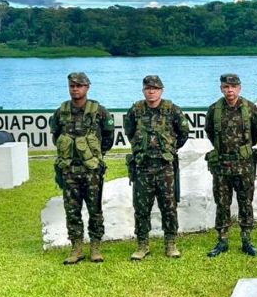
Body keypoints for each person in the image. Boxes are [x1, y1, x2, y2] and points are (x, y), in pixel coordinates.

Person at [50, 71, 115, 265]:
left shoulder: (99, 111)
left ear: (87, 87)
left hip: (91, 171)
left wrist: (94, 156)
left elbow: (108, 138)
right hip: (69, 169)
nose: (75, 89)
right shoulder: (61, 112)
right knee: (72, 210)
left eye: (79, 86)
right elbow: (56, 137)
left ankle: (95, 247)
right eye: (72, 86)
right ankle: (76, 248)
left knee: (95, 209)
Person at [124, 75, 189, 260]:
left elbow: (183, 132)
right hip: (142, 166)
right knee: (141, 208)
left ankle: (170, 243)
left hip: (164, 167)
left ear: (161, 90)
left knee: (169, 206)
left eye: (155, 89)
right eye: (148, 89)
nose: (151, 92)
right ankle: (142, 245)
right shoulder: (136, 110)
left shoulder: (172, 110)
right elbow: (129, 131)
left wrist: (170, 148)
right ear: (143, 91)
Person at [205, 73, 257, 257]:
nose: (230, 90)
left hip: (244, 165)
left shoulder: (250, 108)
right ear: (221, 88)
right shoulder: (214, 110)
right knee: (222, 203)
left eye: (233, 87)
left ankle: (247, 240)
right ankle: (222, 240)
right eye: (226, 87)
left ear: (239, 88)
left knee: (246, 202)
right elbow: (210, 132)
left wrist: (243, 151)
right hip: (222, 165)